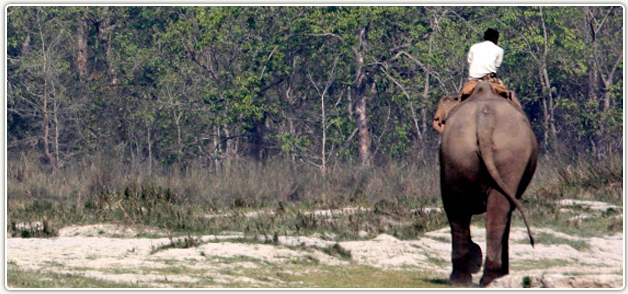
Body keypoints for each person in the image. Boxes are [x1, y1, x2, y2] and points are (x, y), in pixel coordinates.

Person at [459, 28, 512, 102]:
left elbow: (469, 61)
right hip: (490, 80)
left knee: (460, 98)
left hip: (473, 80)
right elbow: (496, 66)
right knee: (508, 97)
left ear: (485, 38)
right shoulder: (499, 50)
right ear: (496, 40)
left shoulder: (474, 47)